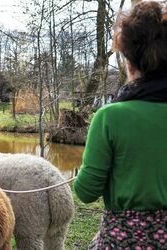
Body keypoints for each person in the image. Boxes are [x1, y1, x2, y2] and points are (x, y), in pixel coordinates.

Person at [74, 1, 167, 249]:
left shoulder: (110, 117)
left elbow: (86, 191)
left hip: (121, 241)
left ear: (129, 61)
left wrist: (81, 172)